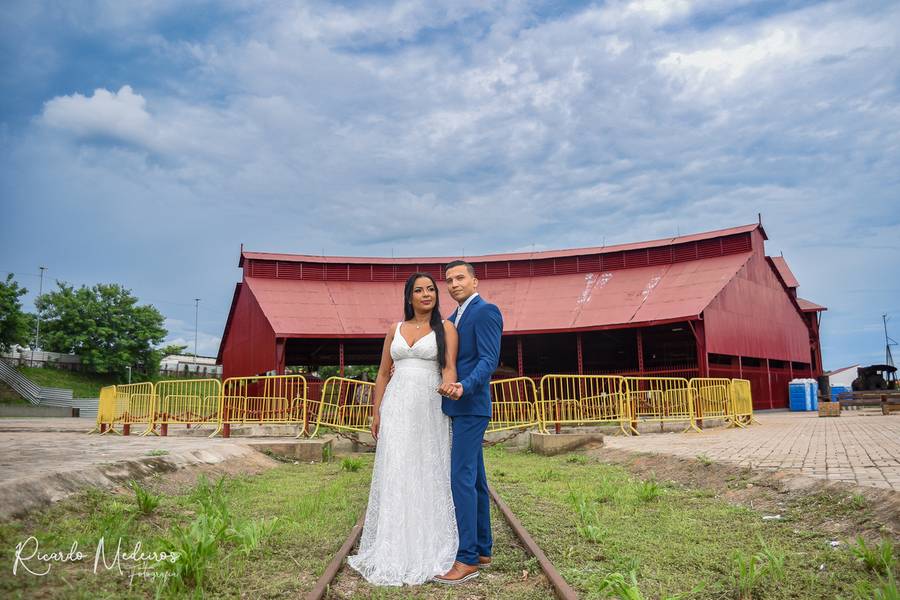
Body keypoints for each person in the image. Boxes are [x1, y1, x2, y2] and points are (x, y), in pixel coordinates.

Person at [346, 272, 460, 586]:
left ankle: (427, 543)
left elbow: (449, 367)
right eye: (419, 290)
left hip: (428, 405)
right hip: (395, 406)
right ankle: (392, 545)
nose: (427, 294)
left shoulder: (445, 328)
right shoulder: (393, 329)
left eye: (432, 290)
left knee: (424, 467)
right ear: (409, 297)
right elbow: (383, 373)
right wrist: (376, 411)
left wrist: (449, 386)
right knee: (396, 468)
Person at [434, 260, 503, 585]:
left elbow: (489, 359)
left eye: (460, 278)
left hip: (472, 404)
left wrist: (466, 386)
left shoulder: (486, 311)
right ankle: (483, 549)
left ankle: (466, 559)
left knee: (460, 477)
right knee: (474, 480)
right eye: (449, 280)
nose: (454, 284)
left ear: (475, 281)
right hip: (458, 406)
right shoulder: (453, 318)